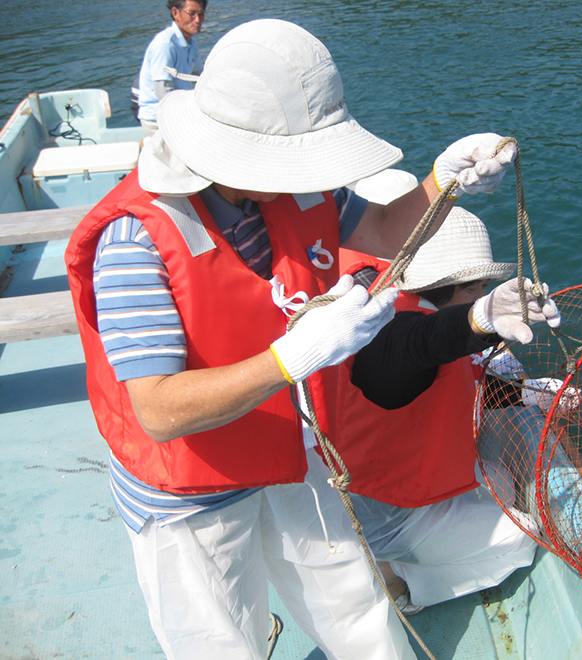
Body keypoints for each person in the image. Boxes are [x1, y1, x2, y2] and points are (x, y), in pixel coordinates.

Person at [65, 19, 518, 660]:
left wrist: (445, 180)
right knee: (222, 639)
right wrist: (295, 354)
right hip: (190, 489)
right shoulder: (135, 242)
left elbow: (388, 229)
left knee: (353, 601)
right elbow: (158, 410)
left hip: (281, 441)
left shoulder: (285, 192)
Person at [329, 173, 564, 613]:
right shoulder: (391, 341)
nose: (485, 296)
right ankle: (401, 587)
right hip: (383, 516)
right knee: (521, 539)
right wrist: (477, 321)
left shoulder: (396, 301)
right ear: (447, 288)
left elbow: (453, 383)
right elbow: (421, 343)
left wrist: (537, 394)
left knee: (498, 477)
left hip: (391, 483)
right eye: (475, 289)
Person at [136, 0, 206, 136]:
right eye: (191, 14)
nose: (197, 20)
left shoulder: (191, 43)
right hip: (157, 118)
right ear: (175, 13)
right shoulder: (165, 44)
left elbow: (199, 78)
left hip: (179, 111)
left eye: (201, 14)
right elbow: (162, 92)